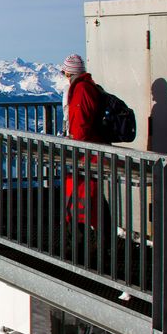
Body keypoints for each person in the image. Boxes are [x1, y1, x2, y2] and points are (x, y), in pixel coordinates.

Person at [60, 53, 110, 266]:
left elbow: (79, 125)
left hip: (85, 154)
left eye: (64, 72)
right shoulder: (87, 87)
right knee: (91, 198)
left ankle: (83, 246)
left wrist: (73, 144)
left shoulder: (80, 90)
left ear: (68, 72)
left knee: (81, 198)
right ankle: (94, 243)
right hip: (89, 153)